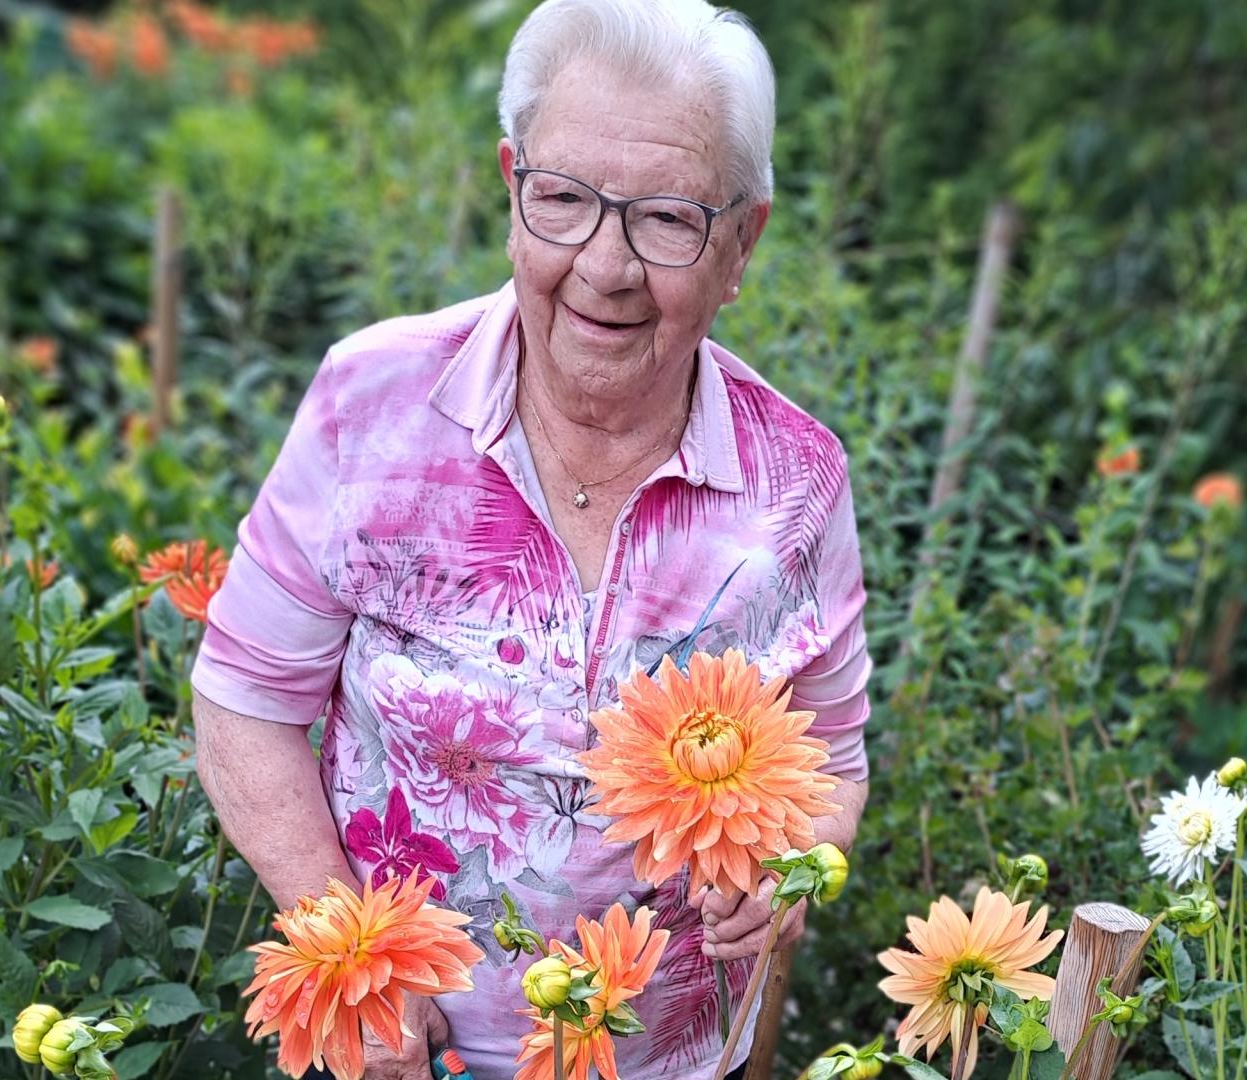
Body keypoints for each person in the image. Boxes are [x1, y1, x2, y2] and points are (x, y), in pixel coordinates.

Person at [189, 1, 872, 1075]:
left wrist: (792, 870)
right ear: (512, 187)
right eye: (564, 200)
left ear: (743, 241)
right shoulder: (369, 403)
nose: (604, 265)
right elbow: (246, 699)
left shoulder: (798, 481)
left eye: (666, 219)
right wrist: (346, 955)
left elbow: (831, 755)